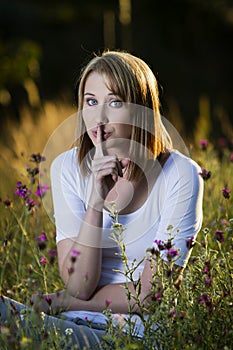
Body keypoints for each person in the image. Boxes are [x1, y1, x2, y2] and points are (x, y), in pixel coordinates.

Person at [0, 50, 203, 349]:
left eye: (115, 102)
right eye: (91, 102)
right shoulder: (68, 168)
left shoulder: (181, 174)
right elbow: (80, 284)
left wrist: (63, 301)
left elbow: (148, 296)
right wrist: (96, 202)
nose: (99, 118)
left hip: (133, 335)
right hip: (66, 323)